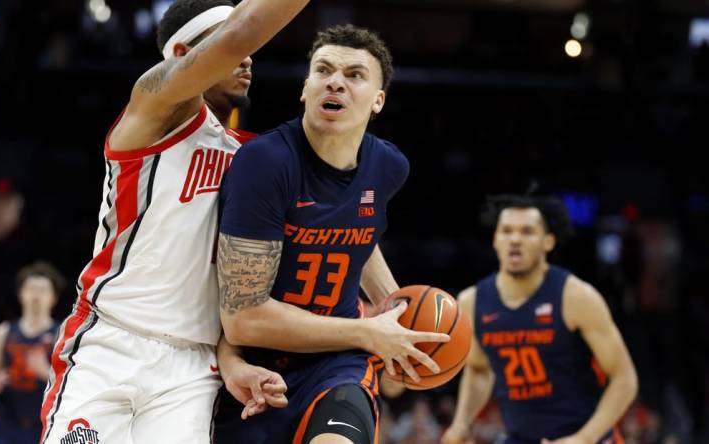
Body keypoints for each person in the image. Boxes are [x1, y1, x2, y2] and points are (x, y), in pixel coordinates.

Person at [38, 0, 310, 442]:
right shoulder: (153, 106)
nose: (248, 56)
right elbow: (243, 33)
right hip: (112, 340)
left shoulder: (257, 158)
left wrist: (388, 301)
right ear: (183, 55)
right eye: (223, 41)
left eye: (248, 48)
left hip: (193, 366)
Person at [213, 24, 451, 444]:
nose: (336, 81)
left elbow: (360, 234)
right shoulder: (265, 164)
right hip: (256, 368)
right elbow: (244, 320)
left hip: (338, 364)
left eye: (355, 75)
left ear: (378, 100)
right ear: (306, 88)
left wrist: (400, 315)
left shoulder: (389, 166)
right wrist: (369, 332)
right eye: (323, 70)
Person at [441, 194, 639, 444]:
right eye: (507, 231)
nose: (515, 239)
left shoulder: (576, 297)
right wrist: (461, 424)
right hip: (520, 438)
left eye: (527, 232)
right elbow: (479, 370)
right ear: (495, 240)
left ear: (548, 241)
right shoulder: (472, 301)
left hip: (587, 436)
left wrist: (583, 438)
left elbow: (625, 378)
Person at [0, 261, 63, 444]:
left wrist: (45, 371)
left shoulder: (63, 335)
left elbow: (74, 385)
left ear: (54, 297)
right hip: (7, 424)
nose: (36, 295)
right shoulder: (2, 332)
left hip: (45, 425)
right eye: (31, 289)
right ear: (20, 294)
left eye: (42, 290)